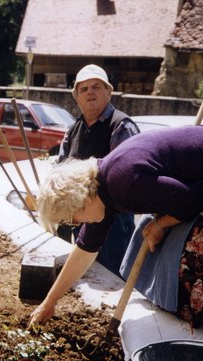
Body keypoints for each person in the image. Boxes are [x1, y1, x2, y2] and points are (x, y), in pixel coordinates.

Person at [30, 123, 203, 357]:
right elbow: (84, 250)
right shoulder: (103, 187)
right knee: (183, 257)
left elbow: (191, 202)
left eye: (74, 219)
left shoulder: (123, 180)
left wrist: (159, 224)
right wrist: (49, 302)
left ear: (84, 199)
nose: (78, 225)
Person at [57, 64, 140, 277]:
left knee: (111, 280)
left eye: (96, 86)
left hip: (113, 224)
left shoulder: (120, 126)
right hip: (82, 219)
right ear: (76, 96)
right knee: (89, 278)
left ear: (109, 91)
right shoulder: (74, 130)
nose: (90, 92)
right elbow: (61, 174)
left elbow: (125, 180)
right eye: (83, 89)